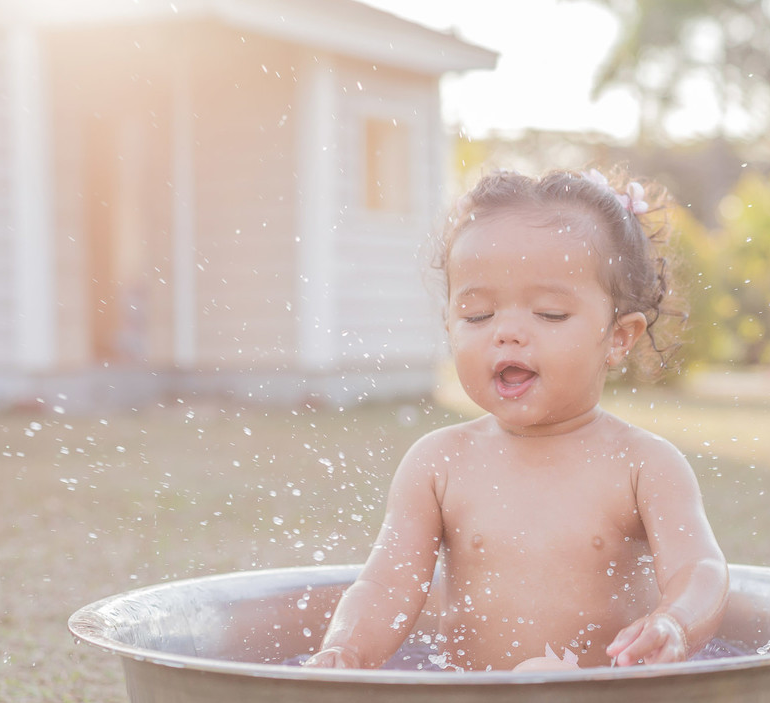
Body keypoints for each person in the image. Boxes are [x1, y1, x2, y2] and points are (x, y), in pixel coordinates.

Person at [306, 168, 729, 672]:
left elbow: (699, 569)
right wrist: (347, 649)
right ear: (449, 327)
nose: (506, 333)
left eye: (549, 314)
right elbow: (386, 586)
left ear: (619, 336)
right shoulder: (438, 464)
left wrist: (675, 621)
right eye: (477, 315)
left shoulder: (643, 464)